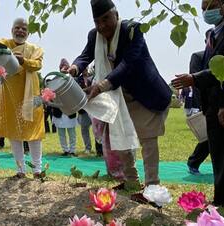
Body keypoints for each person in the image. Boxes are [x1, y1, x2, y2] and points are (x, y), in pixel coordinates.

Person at [66, 0, 171, 189]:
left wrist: (101, 86)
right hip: (116, 96)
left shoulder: (132, 30)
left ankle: (152, 186)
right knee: (119, 138)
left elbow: (128, 64)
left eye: (106, 19)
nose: (102, 26)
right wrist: (73, 68)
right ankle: (131, 181)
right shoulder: (94, 35)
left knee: (147, 140)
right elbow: (85, 56)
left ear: (116, 14)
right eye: (97, 21)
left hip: (143, 94)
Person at [172, 0, 224, 207]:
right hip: (213, 106)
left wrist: (195, 79)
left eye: (210, 6)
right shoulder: (213, 33)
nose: (206, 12)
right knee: (219, 155)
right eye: (203, 8)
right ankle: (222, 200)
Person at [0, 18, 45, 178]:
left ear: (28, 32)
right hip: (9, 95)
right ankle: (20, 170)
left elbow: (38, 65)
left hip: (30, 94)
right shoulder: (5, 43)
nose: (20, 31)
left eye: (24, 29)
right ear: (12, 29)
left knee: (34, 132)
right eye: (17, 28)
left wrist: (23, 60)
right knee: (14, 132)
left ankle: (37, 170)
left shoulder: (35, 49)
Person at [184, 51, 210, 176]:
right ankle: (193, 162)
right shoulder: (198, 56)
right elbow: (195, 83)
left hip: (222, 100)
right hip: (208, 103)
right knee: (209, 136)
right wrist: (202, 105)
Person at [52, 59, 77, 156]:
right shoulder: (55, 79)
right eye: (62, 67)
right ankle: (65, 150)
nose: (64, 68)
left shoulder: (72, 79)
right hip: (58, 111)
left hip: (70, 111)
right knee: (61, 133)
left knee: (72, 133)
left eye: (66, 67)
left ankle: (72, 150)